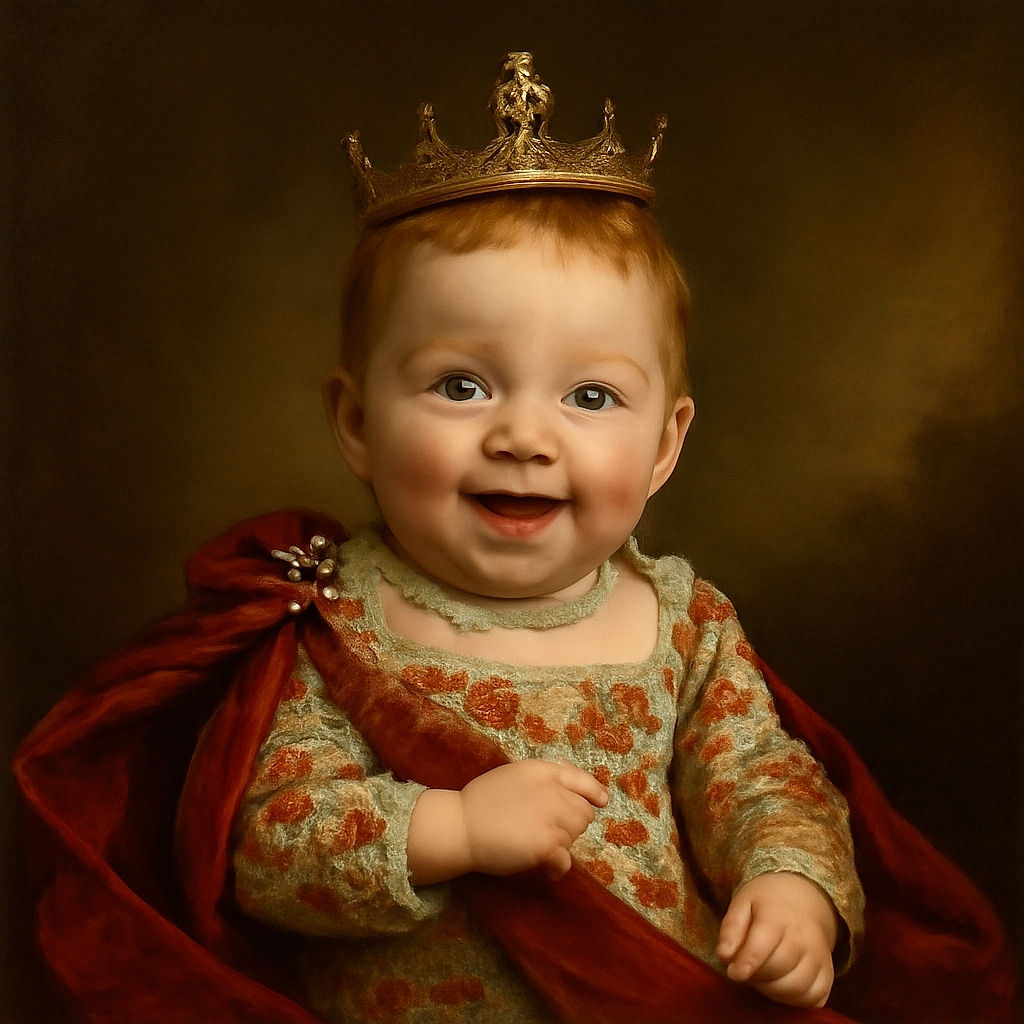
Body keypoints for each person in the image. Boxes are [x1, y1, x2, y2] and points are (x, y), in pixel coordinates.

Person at [14, 52, 1016, 1024]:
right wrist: (448, 828)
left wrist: (792, 888)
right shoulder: (334, 621)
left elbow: (766, 783)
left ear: (665, 444)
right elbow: (273, 845)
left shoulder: (683, 629)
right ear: (357, 424)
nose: (524, 437)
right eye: (462, 384)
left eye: (590, 395)